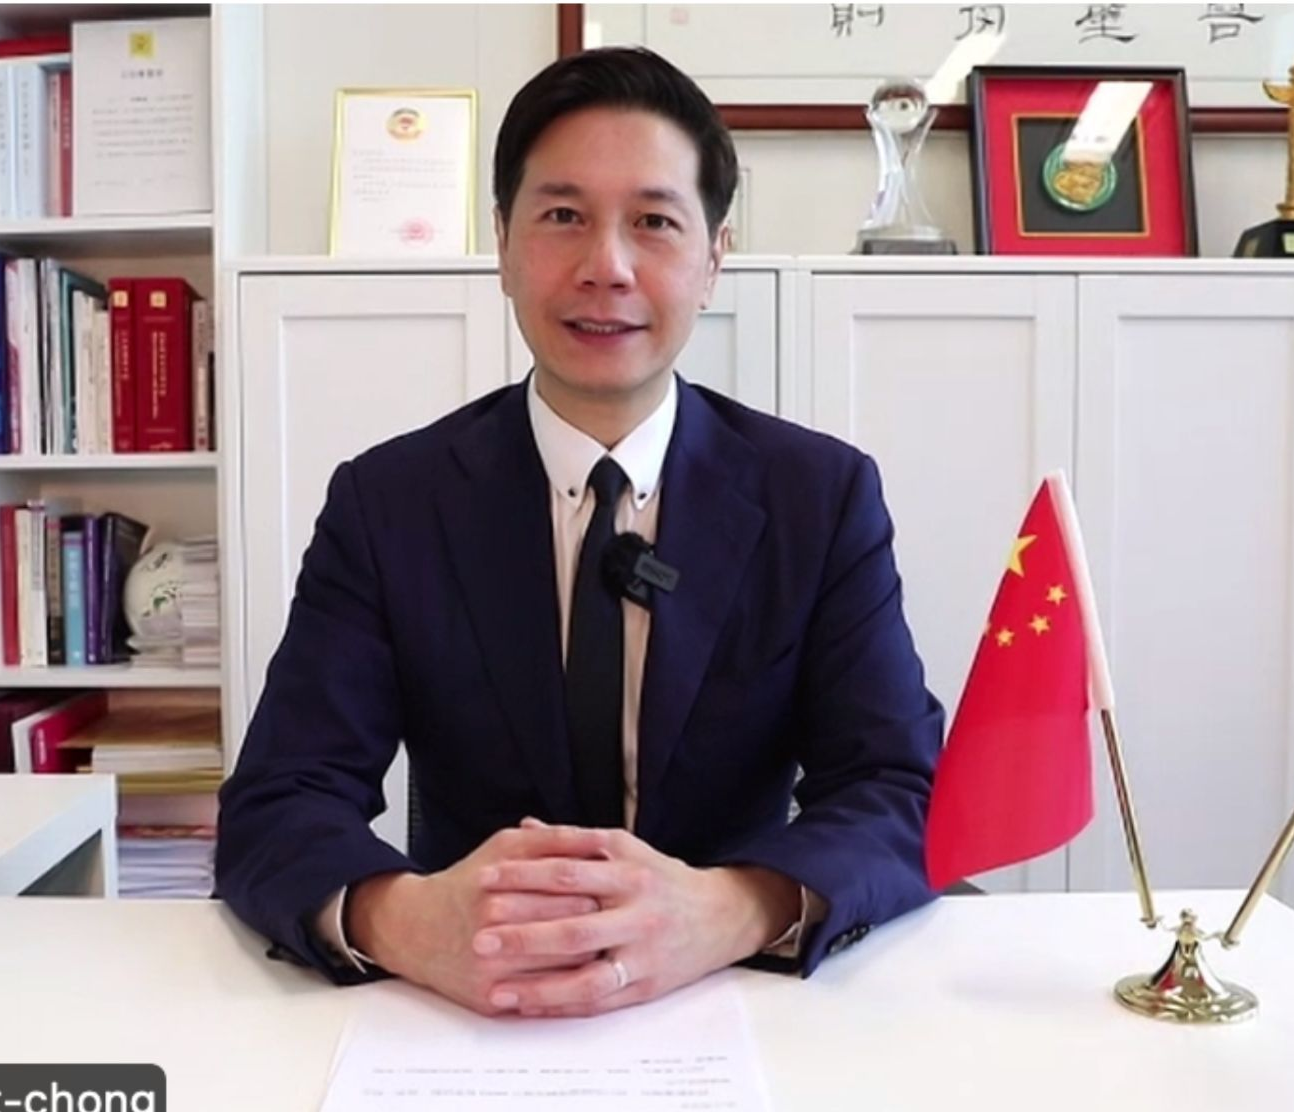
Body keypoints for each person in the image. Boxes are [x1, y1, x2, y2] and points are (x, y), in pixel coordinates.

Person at [215, 46, 945, 1018]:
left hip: (736, 993)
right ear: (503, 244)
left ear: (714, 257)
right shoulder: (389, 502)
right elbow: (280, 796)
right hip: (472, 999)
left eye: (654, 222)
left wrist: (734, 906)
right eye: (562, 216)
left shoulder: (818, 497)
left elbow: (898, 785)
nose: (606, 266)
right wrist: (406, 918)